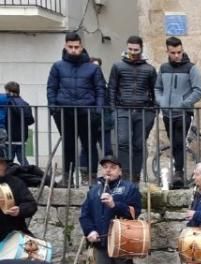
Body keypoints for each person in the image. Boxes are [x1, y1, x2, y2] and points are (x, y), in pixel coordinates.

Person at [79, 156, 142, 264]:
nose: (108, 170)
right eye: (105, 167)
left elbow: (135, 212)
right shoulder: (94, 190)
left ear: (120, 170)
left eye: (112, 167)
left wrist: (115, 205)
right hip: (101, 240)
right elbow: (85, 215)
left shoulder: (129, 188)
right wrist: (90, 231)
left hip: (122, 240)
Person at [47, 32, 106, 185]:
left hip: (87, 111)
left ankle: (92, 177)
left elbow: (100, 89)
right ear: (65, 47)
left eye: (76, 47)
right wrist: (53, 108)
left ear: (82, 47)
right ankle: (68, 177)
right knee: (68, 144)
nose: (74, 50)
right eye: (70, 47)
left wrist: (97, 110)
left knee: (89, 144)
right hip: (64, 111)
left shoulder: (92, 68)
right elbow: (51, 88)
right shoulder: (58, 66)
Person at [154, 36, 201, 187]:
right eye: (173, 52)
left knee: (179, 142)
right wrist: (161, 101)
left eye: (179, 52)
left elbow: (198, 91)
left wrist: (184, 103)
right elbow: (158, 88)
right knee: (174, 143)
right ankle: (177, 172)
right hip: (167, 113)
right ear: (167, 51)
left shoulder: (191, 68)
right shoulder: (163, 68)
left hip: (183, 113)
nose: (177, 55)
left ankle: (179, 173)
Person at [109, 35, 157, 182]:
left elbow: (155, 90)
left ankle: (135, 175)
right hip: (122, 109)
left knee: (139, 144)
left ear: (141, 49)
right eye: (130, 49)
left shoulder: (149, 69)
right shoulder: (118, 66)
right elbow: (112, 88)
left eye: (136, 49)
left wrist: (153, 110)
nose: (133, 52)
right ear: (126, 48)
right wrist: (112, 108)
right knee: (123, 141)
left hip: (143, 110)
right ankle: (125, 174)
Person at [0, 149, 38, 242]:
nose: (3, 166)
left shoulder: (15, 182)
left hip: (14, 234)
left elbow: (31, 205)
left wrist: (20, 210)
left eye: (3, 163)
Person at [89, 57, 115, 159]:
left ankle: (110, 170)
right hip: (90, 120)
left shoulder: (104, 83)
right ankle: (88, 173)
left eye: (98, 67)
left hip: (104, 120)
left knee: (107, 148)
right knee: (88, 148)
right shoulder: (86, 82)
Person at [4, 82, 34, 166]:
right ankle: (28, 174)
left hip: (10, 137)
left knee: (8, 161)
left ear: (9, 91)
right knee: (22, 159)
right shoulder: (25, 104)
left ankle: (8, 177)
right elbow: (30, 120)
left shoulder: (7, 104)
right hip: (22, 137)